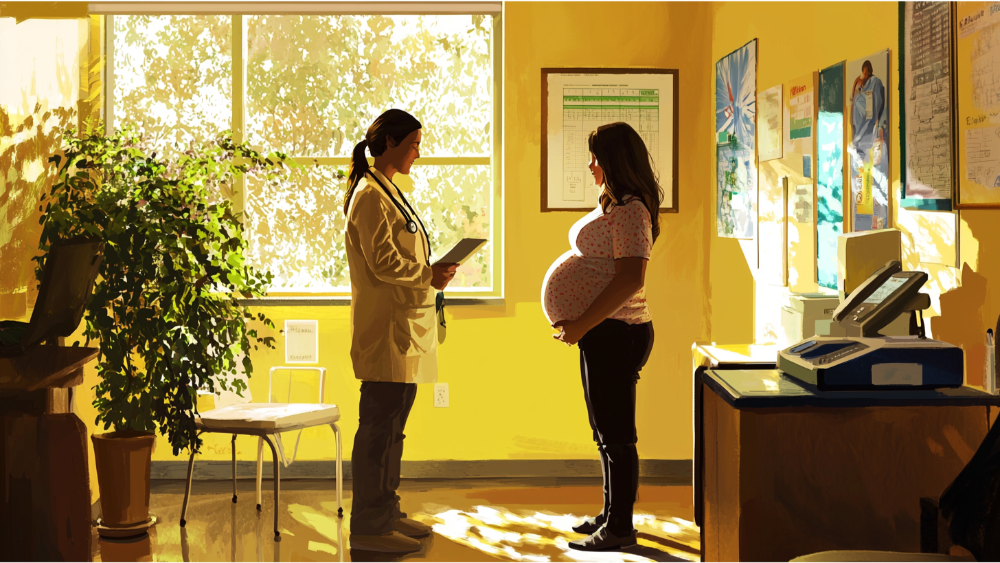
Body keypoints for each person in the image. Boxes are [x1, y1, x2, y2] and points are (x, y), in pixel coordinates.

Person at [541, 122, 661, 552]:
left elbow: (630, 278)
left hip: (617, 332)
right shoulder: (616, 205)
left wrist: (582, 324)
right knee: (604, 430)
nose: (590, 165)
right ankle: (612, 514)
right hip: (604, 333)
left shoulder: (632, 210)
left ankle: (621, 529)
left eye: (596, 157)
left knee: (617, 434)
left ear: (614, 161)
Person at [343, 109, 459, 554]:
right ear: (389, 142)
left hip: (402, 328)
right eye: (413, 144)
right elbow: (384, 262)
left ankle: (387, 510)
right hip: (383, 330)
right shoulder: (369, 196)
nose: (418, 152)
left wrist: (430, 273)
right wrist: (428, 274)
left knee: (395, 427)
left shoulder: (387, 190)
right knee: (377, 427)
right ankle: (369, 526)